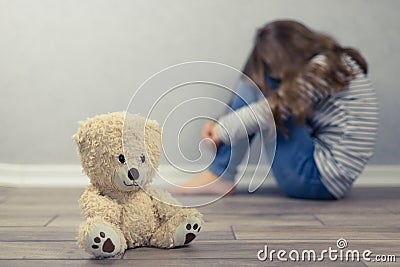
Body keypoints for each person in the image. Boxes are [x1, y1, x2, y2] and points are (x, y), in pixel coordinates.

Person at [172, 20, 378, 200]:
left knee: (257, 85)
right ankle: (220, 174)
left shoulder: (320, 69)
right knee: (263, 91)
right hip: (328, 181)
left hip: (313, 179)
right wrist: (222, 123)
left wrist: (221, 129)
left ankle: (220, 175)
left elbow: (268, 111)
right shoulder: (334, 61)